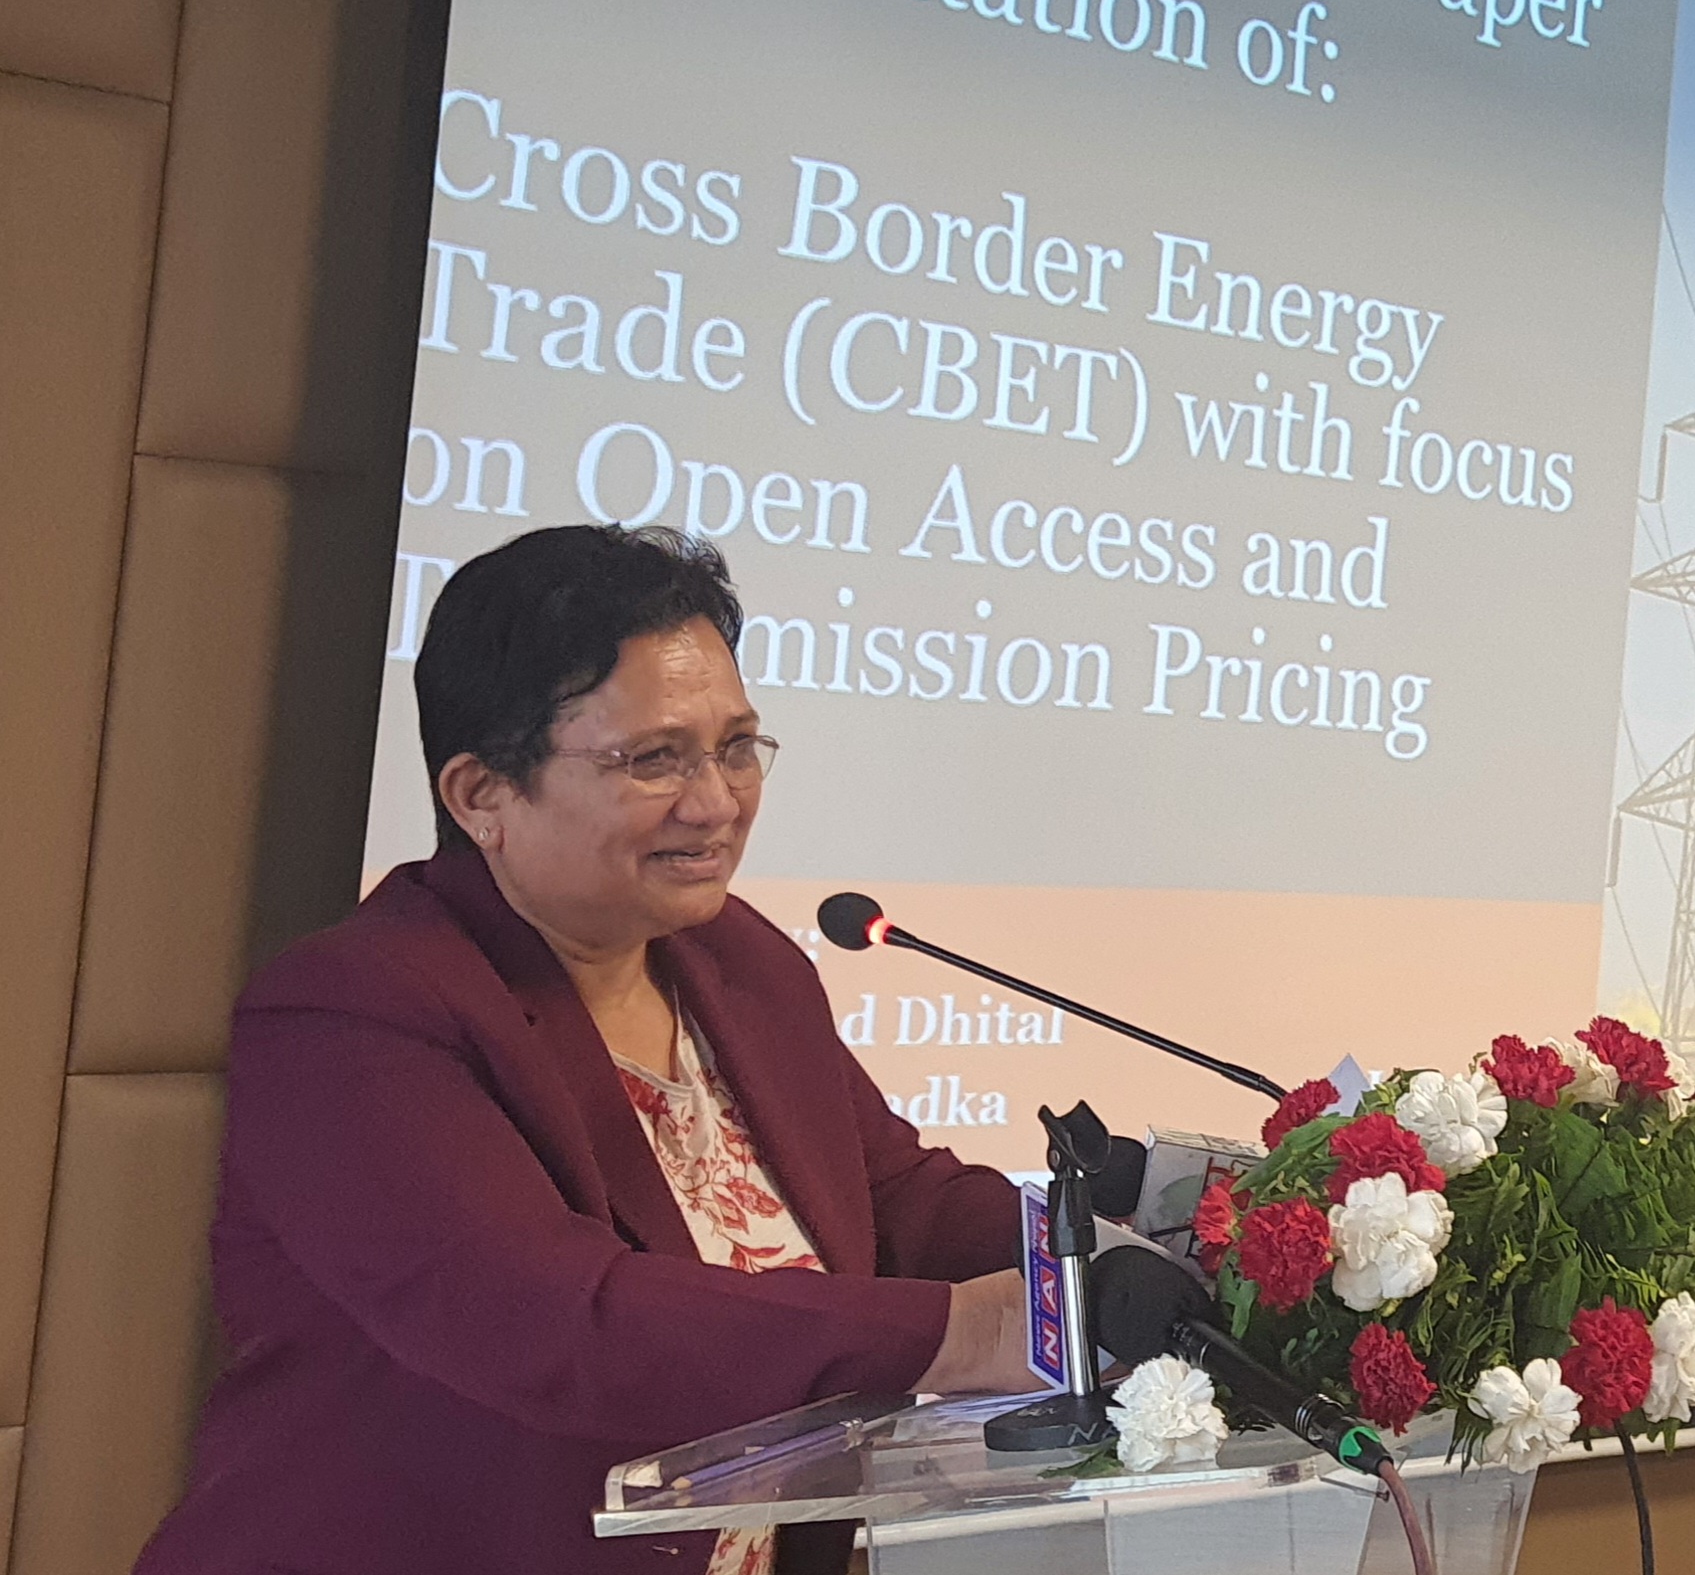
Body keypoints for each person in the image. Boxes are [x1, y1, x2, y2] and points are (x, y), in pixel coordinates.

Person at [137, 526, 1039, 1575]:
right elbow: (556, 1321)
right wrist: (961, 1334)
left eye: (736, 746)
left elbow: (898, 1199)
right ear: (481, 795)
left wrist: (1117, 1247)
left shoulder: (739, 962)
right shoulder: (352, 1013)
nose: (716, 802)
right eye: (654, 759)